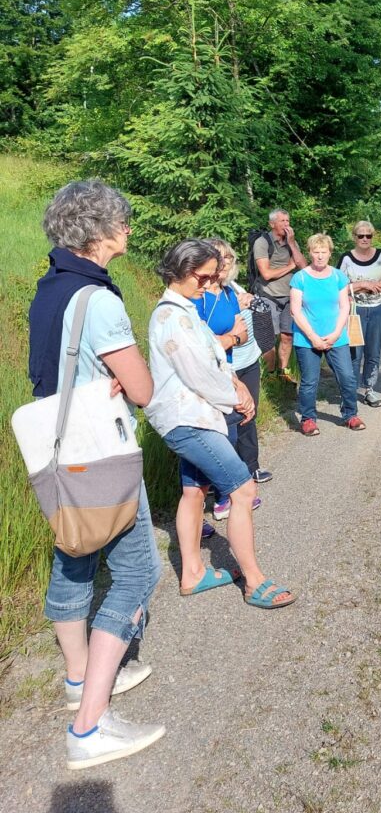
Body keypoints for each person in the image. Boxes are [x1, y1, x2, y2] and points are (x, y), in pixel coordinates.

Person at [28, 179, 164, 769]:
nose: (128, 229)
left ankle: (79, 677)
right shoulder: (100, 299)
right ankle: (89, 727)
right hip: (101, 453)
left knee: (74, 557)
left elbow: (52, 371)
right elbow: (142, 389)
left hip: (58, 452)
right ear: (98, 230)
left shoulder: (50, 288)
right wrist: (125, 382)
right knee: (137, 573)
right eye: (121, 221)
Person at [146, 239, 295, 611]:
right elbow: (199, 374)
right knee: (242, 490)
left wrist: (236, 382)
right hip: (189, 421)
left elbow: (214, 355)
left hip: (199, 415)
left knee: (194, 491)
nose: (209, 284)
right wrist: (236, 398)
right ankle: (254, 581)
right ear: (183, 271)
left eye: (213, 277)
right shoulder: (172, 317)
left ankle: (193, 573)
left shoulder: (185, 308)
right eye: (204, 277)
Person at [194, 239, 272, 522]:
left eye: (228, 257)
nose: (225, 263)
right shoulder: (198, 297)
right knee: (219, 431)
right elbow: (199, 340)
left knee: (241, 422)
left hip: (234, 367)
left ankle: (238, 481)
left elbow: (246, 328)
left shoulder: (229, 292)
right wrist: (232, 337)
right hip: (210, 373)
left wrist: (234, 338)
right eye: (220, 258)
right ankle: (221, 494)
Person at [290, 233, 365, 435]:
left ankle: (350, 414)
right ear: (310, 253)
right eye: (316, 252)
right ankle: (308, 419)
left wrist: (336, 333)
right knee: (309, 381)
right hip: (307, 339)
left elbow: (344, 306)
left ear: (330, 253)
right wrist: (313, 337)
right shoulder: (300, 278)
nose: (320, 256)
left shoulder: (338, 277)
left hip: (336, 336)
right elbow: (295, 311)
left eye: (324, 252)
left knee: (347, 377)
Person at [338, 221, 381, 408]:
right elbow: (338, 286)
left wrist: (371, 286)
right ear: (354, 237)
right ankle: (350, 392)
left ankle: (369, 389)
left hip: (378, 309)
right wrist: (362, 285)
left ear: (372, 237)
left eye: (368, 235)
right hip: (354, 311)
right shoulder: (346, 258)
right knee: (354, 352)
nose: (364, 239)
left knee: (373, 350)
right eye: (360, 235)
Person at [252, 209, 307, 380]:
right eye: (282, 221)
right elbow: (266, 274)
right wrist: (290, 266)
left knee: (287, 336)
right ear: (272, 224)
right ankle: (270, 374)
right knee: (269, 338)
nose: (286, 224)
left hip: (290, 297)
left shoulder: (292, 242)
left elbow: (304, 267)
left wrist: (292, 244)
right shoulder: (262, 242)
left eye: (288, 221)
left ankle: (284, 372)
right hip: (268, 295)